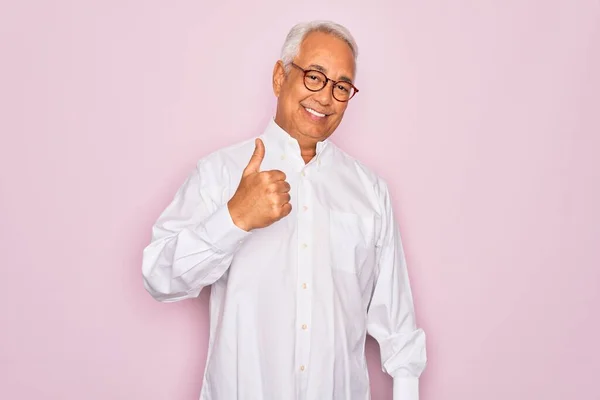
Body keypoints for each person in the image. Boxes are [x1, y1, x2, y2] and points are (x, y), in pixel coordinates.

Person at [142, 20, 427, 400]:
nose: (325, 97)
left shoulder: (370, 191)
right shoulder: (220, 172)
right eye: (314, 76)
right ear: (280, 77)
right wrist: (234, 218)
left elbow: (398, 323)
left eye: (341, 86)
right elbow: (160, 278)